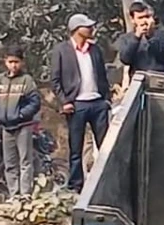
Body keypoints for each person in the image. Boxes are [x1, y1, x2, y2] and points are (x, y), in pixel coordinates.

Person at [51, 13, 111, 191]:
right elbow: (55, 80)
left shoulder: (95, 49)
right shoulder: (61, 50)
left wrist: (106, 99)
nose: (91, 29)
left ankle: (107, 182)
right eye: (87, 26)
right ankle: (76, 185)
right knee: (75, 147)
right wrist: (64, 102)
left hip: (97, 103)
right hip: (76, 105)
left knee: (105, 146)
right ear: (76, 29)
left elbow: (102, 76)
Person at [0, 44, 41, 197]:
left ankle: (25, 193)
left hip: (23, 126)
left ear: (22, 62)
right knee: (9, 162)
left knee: (25, 161)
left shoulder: (27, 80)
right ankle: (14, 193)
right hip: (6, 127)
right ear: (5, 62)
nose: (13, 65)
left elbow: (34, 103)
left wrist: (21, 115)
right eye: (10, 62)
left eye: (16, 62)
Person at [117, 2, 164, 74]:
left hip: (159, 76)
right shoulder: (126, 38)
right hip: (138, 76)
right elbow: (125, 59)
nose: (144, 21)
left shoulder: (161, 35)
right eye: (140, 18)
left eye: (146, 17)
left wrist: (150, 36)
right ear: (133, 19)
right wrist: (137, 37)